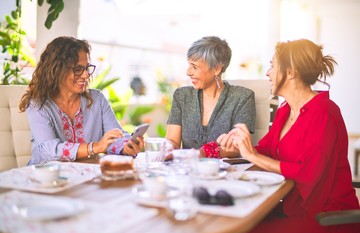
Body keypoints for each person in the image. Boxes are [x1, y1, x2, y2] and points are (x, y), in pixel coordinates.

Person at [217, 39, 360, 233]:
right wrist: (228, 147)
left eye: (272, 65)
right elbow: (264, 149)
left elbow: (307, 172)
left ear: (291, 71)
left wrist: (251, 155)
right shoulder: (286, 110)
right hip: (291, 206)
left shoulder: (325, 113)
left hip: (325, 217)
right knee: (231, 223)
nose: (267, 72)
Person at [19, 36, 143, 165]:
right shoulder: (38, 104)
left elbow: (115, 136)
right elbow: (50, 150)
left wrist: (126, 146)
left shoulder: (97, 99)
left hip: (86, 175)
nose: (86, 75)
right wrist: (96, 147)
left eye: (86, 68)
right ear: (57, 70)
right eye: (78, 69)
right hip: (46, 179)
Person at [166, 36, 256, 158]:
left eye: (195, 67)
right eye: (189, 65)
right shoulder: (182, 96)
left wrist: (202, 153)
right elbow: (172, 140)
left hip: (224, 173)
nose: (188, 72)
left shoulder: (243, 97)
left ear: (217, 69)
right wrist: (168, 148)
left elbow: (237, 146)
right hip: (187, 171)